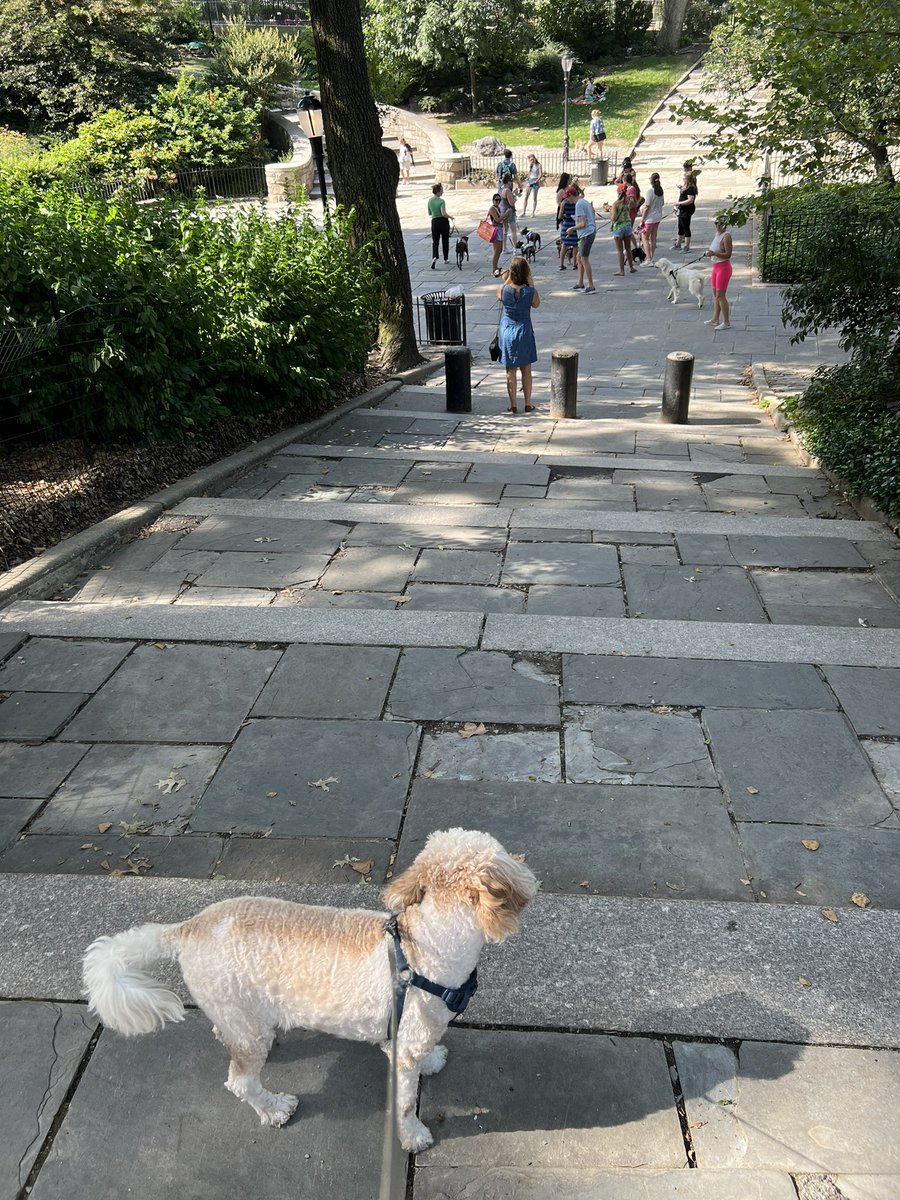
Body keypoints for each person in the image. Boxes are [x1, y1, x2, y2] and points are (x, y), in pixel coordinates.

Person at [496, 256, 540, 414]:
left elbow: (499, 292)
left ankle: (513, 405)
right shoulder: (530, 292)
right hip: (524, 330)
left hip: (507, 330)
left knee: (510, 371)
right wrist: (531, 281)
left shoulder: (504, 290)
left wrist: (507, 278)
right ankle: (528, 403)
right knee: (526, 369)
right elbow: (536, 304)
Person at [704, 217, 733, 330]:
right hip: (715, 267)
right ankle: (715, 319)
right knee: (716, 295)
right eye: (716, 223)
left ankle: (726, 322)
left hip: (723, 268)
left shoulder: (726, 237)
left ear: (725, 225)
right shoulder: (717, 234)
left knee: (721, 296)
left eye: (720, 224)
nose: (718, 226)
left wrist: (714, 253)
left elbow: (728, 254)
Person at [572, 187, 597, 293]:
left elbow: (582, 223)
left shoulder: (579, 204)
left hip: (587, 233)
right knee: (579, 257)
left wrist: (571, 228)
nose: (567, 200)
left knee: (584, 258)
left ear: (571, 196)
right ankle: (580, 282)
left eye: (568, 198)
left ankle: (590, 284)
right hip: (588, 232)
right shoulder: (584, 201)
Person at [608, 188, 634, 275]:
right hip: (628, 226)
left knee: (620, 250)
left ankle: (621, 270)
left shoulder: (615, 204)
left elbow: (614, 218)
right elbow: (634, 205)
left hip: (619, 228)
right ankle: (631, 267)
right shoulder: (628, 202)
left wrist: (610, 213)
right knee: (628, 248)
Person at [639, 172, 664, 263]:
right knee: (653, 238)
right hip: (658, 217)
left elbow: (647, 206)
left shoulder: (650, 191)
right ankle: (651, 256)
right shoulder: (660, 190)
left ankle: (649, 259)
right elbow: (662, 203)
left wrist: (642, 219)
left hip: (650, 218)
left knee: (644, 237)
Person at [673, 168, 698, 252]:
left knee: (686, 227)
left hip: (686, 210)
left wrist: (679, 203)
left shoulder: (691, 188)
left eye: (684, 178)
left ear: (688, 179)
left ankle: (687, 246)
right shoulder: (686, 186)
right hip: (682, 210)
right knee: (680, 226)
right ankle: (678, 244)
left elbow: (690, 200)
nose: (683, 179)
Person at [428, 183, 451, 269]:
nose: (443, 192)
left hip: (434, 222)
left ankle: (434, 257)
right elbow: (443, 214)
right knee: (445, 240)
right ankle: (445, 258)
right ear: (438, 192)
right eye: (442, 190)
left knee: (435, 241)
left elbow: (430, 213)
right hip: (443, 222)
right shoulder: (442, 201)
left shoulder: (430, 201)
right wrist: (451, 217)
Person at [558, 182, 579, 270]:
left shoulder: (564, 203)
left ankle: (561, 264)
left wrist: (565, 216)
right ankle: (575, 263)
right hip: (575, 225)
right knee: (575, 245)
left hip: (566, 225)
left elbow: (560, 216)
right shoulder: (576, 202)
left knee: (564, 244)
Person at [487, 192, 507, 277]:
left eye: (499, 200)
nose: (498, 201)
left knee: (500, 249)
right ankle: (494, 268)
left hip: (499, 229)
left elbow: (500, 220)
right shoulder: (492, 209)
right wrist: (505, 214)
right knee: (496, 250)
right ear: (493, 200)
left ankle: (496, 267)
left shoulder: (498, 208)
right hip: (495, 231)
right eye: (496, 200)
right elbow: (497, 220)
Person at [499, 174, 518, 251]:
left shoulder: (501, 189)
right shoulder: (508, 191)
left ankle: (504, 248)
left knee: (505, 231)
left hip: (503, 211)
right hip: (509, 212)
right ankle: (515, 248)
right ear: (508, 181)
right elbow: (512, 203)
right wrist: (516, 195)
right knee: (513, 231)